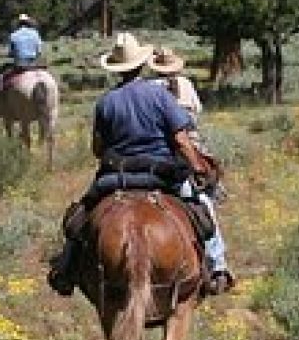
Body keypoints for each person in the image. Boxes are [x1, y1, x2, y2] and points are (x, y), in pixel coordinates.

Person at [47, 32, 231, 297]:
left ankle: (66, 268)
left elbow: (97, 149)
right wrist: (198, 167)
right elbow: (180, 139)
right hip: (161, 175)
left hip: (115, 177)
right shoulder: (160, 97)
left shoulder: (106, 102)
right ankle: (217, 269)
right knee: (203, 208)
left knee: (81, 217)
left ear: (116, 69)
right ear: (142, 64)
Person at [149, 46, 234, 293]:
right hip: (180, 153)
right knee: (203, 203)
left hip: (152, 153)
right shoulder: (184, 85)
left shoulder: (147, 88)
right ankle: (218, 265)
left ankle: (69, 261)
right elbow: (193, 120)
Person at [0, 12, 43, 117]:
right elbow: (39, 51)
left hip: (20, 64)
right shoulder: (35, 33)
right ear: (28, 23)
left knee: (1, 78)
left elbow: (11, 52)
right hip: (34, 63)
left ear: (18, 24)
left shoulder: (14, 35)